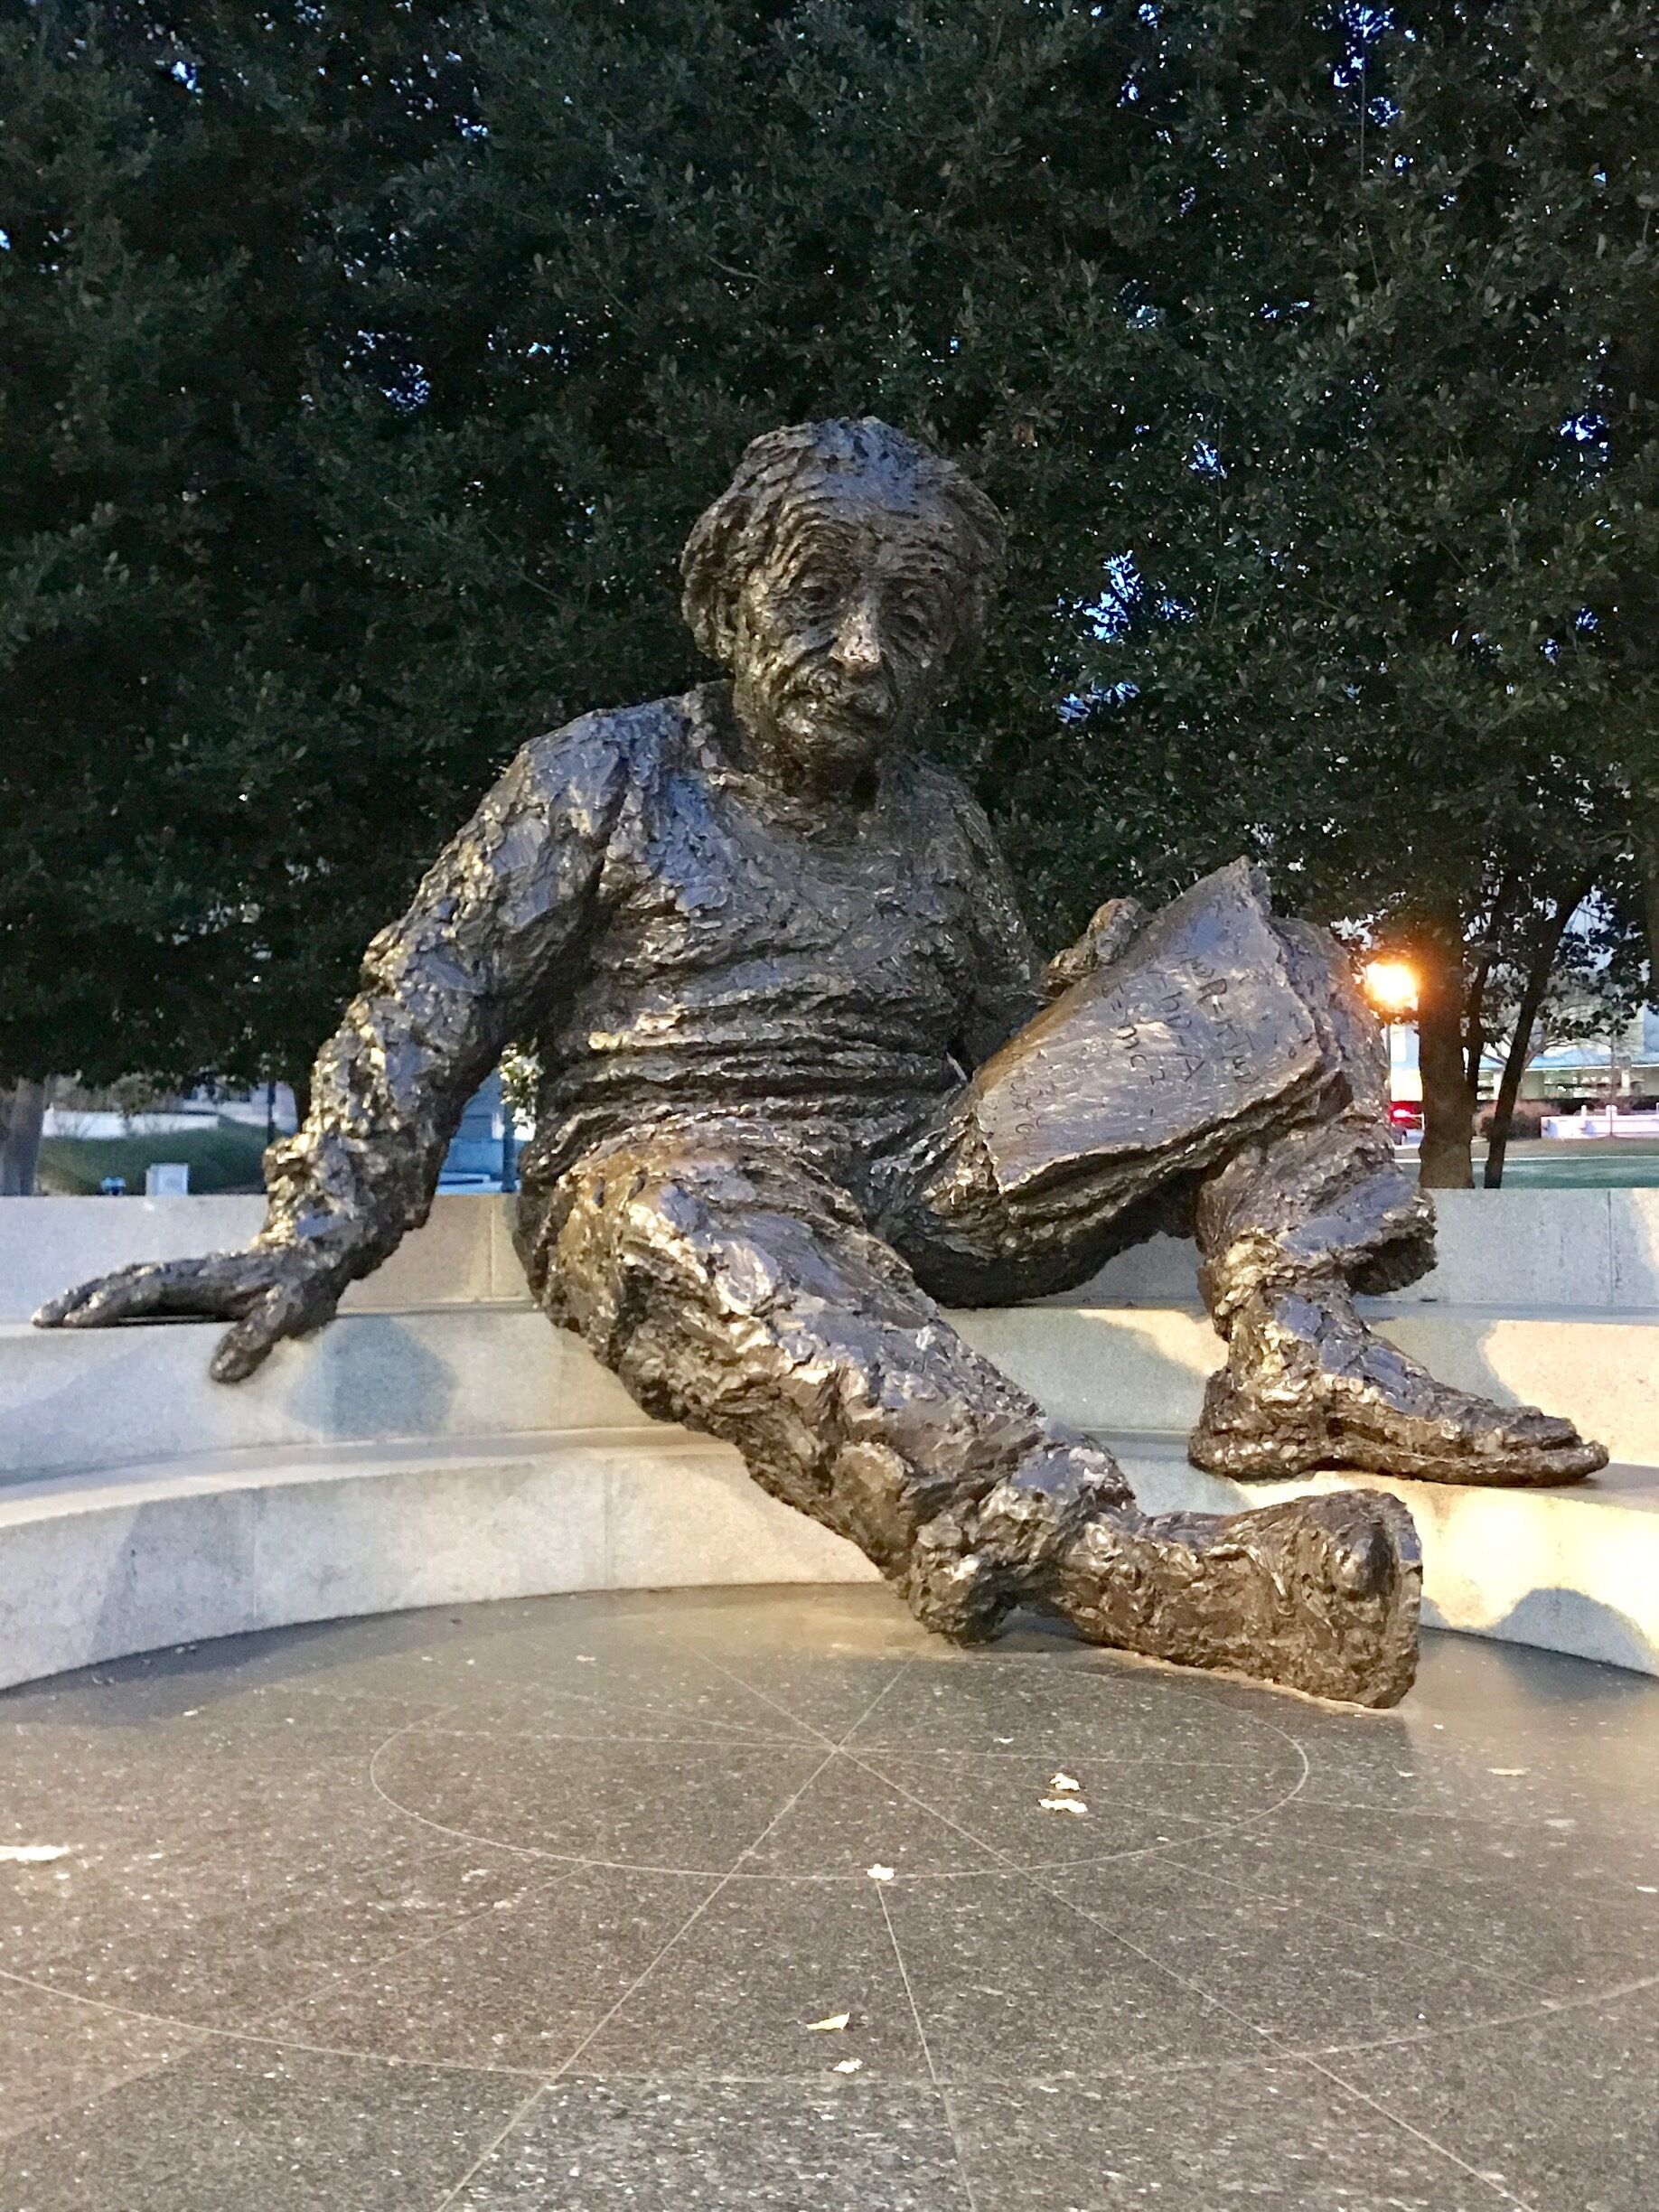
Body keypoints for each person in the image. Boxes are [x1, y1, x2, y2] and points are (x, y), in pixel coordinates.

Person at [38, 419, 1606, 1709]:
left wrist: (1119, 1004)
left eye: (911, 624)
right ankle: (1118, 1566)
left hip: (920, 1173)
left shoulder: (942, 826)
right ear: (727, 606)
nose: (862, 655)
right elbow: (428, 997)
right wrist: (314, 1232)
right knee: (678, 1207)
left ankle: (1295, 1341)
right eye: (818, 602)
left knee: (1264, 972)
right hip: (674, 1173)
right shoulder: (599, 777)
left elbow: (1011, 1065)